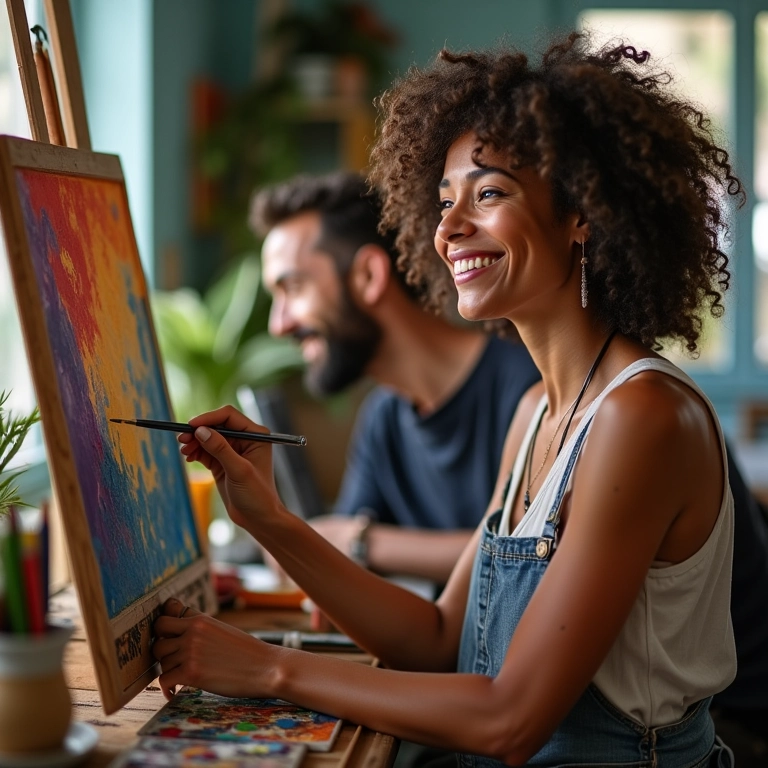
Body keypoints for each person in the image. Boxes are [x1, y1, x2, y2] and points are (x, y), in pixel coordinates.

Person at [154, 33, 745, 766]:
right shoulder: (536, 415)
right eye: (443, 201)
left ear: (582, 212)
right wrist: (269, 519)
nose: (448, 228)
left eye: (489, 192)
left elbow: (511, 718)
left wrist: (272, 669)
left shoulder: (641, 416)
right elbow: (439, 641)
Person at [250, 172, 540, 584]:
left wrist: (361, 540)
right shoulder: (382, 419)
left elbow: (526, 557)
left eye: (293, 287)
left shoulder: (530, 389)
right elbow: (333, 562)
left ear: (369, 275)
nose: (278, 324)